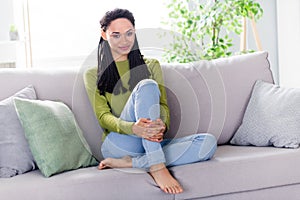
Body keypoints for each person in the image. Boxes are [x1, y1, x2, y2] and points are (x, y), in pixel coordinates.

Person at [84, 8, 217, 194]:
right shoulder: (92, 74)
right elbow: (103, 116)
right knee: (146, 85)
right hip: (120, 143)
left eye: (129, 34)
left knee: (208, 143)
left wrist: (162, 124)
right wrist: (133, 128)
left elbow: (162, 105)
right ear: (104, 35)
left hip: (152, 142)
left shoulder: (151, 65)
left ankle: (137, 162)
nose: (124, 41)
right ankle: (157, 165)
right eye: (116, 35)